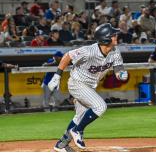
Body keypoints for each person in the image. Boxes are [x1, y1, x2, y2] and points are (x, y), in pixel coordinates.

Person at [48, 23, 128, 151]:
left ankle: (61, 145)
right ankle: (77, 130)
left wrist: (120, 74)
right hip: (77, 83)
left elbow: (118, 68)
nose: (116, 36)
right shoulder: (89, 51)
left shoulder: (115, 51)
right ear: (106, 38)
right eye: (113, 35)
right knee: (100, 106)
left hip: (90, 86)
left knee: (79, 117)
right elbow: (68, 56)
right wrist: (57, 76)